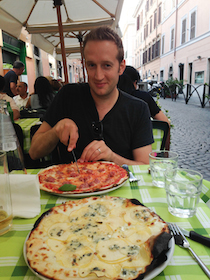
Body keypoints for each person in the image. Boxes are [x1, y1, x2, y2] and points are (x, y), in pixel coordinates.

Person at [29, 26, 154, 166]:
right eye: (92, 65)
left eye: (107, 65)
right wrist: (55, 131)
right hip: (69, 183)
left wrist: (112, 157)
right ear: (84, 65)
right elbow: (34, 152)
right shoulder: (68, 95)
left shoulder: (138, 109)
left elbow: (145, 167)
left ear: (121, 67)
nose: (98, 76)